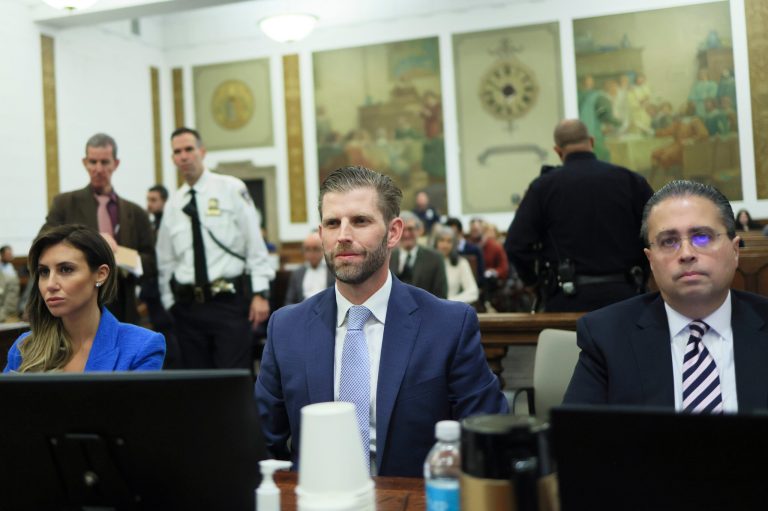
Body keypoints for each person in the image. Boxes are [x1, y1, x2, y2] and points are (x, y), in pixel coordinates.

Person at [255, 166, 507, 477]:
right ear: (321, 235)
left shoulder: (448, 326)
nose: (344, 236)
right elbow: (261, 443)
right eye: (332, 223)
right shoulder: (286, 329)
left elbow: (489, 436)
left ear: (394, 232)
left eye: (360, 221)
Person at [563, 180, 768, 413]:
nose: (687, 253)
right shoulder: (607, 336)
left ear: (734, 251)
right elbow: (575, 441)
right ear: (650, 260)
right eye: (669, 241)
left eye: (702, 237)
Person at [156, 127, 274, 370]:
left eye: (189, 149)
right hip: (188, 308)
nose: (184, 156)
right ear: (172, 159)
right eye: (177, 152)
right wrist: (171, 303)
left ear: (202, 151)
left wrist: (260, 293)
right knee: (199, 385)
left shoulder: (231, 189)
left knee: (232, 379)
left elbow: (254, 243)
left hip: (228, 303)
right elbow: (166, 260)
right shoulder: (173, 206)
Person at [505, 119, 653, 312]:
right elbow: (658, 233)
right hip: (627, 298)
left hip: (567, 301)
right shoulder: (631, 181)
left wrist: (534, 284)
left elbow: (515, 245)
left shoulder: (543, 187)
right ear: (591, 141)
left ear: (558, 151)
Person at [4, 224, 165, 372]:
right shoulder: (24, 347)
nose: (50, 284)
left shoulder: (142, 346)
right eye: (44, 272)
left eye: (66, 269)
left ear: (101, 274)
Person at [44, 133, 156, 325]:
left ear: (116, 163)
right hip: (75, 308)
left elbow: (151, 264)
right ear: (85, 162)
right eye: (93, 162)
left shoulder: (136, 213)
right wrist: (91, 242)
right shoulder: (65, 204)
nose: (98, 169)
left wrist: (118, 253)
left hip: (122, 307)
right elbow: (43, 245)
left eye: (105, 162)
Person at [388, 211, 447, 298]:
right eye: (403, 230)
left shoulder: (435, 259)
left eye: (410, 229)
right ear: (397, 232)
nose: (406, 234)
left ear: (419, 231)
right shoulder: (388, 258)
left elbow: (441, 295)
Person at [285, 231, 334, 306]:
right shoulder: (297, 273)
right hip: (303, 312)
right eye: (307, 249)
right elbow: (289, 301)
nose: (311, 253)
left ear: (323, 249)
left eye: (315, 249)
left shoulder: (332, 270)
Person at [433, 225, 479, 304]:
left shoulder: (461, 263)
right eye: (442, 240)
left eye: (449, 241)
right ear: (436, 243)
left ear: (454, 244)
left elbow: (473, 292)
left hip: (451, 306)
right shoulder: (427, 262)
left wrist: (448, 301)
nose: (445, 245)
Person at [0, 245, 20, 322]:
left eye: (11, 254)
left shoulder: (11, 269)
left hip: (8, 310)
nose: (11, 256)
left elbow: (12, 296)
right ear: (2, 255)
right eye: (8, 254)